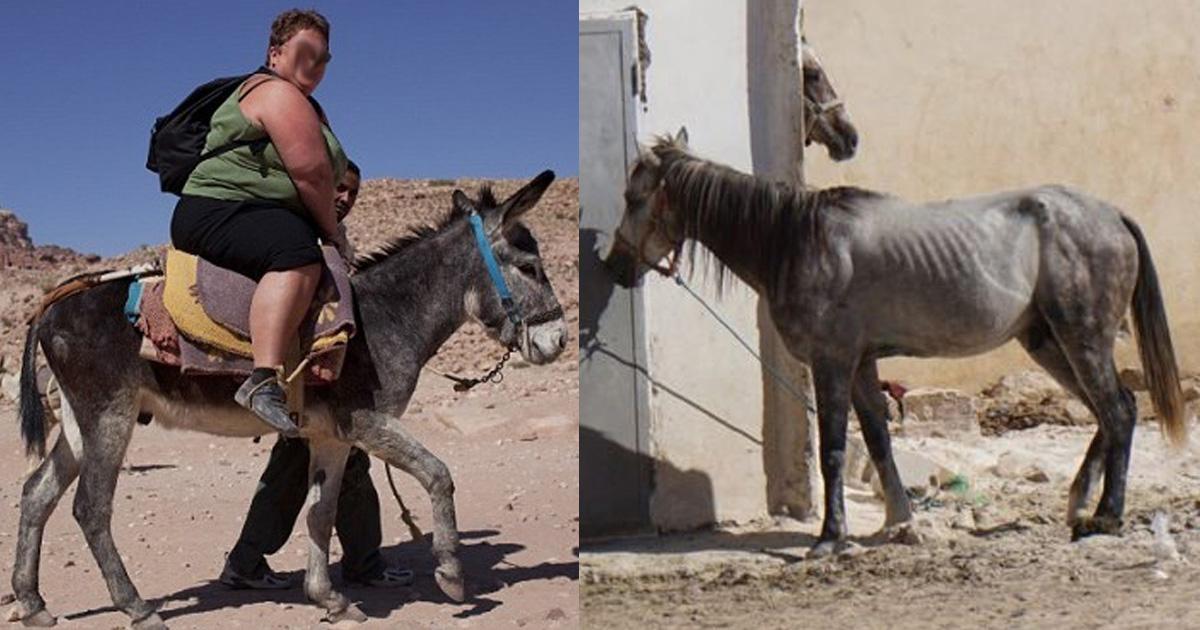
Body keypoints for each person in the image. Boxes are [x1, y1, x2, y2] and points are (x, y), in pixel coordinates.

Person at [219, 164, 413, 590]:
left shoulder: (336, 241)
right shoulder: (296, 232)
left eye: (353, 193)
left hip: (316, 377)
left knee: (339, 463)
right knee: (317, 463)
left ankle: (255, 561)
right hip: (298, 374)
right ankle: (352, 563)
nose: (344, 198)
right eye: (338, 188)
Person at [170, 9, 350, 437]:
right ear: (275, 54)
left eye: (325, 57)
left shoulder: (305, 103)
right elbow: (312, 174)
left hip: (250, 212)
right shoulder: (277, 93)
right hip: (219, 207)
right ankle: (263, 378)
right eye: (307, 50)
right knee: (296, 256)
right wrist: (332, 233)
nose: (317, 63)